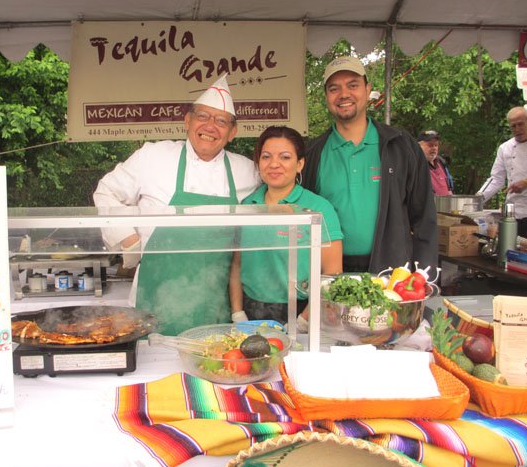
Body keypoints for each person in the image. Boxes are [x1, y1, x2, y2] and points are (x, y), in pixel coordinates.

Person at [93, 75, 260, 335]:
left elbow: (274, 204)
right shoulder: (152, 156)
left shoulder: (248, 171)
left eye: (221, 121)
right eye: (203, 116)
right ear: (187, 121)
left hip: (214, 301)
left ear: (232, 132)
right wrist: (126, 238)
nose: (210, 126)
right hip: (155, 296)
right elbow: (106, 192)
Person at [302, 56, 437, 276]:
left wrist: (424, 276)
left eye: (353, 85)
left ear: (367, 89)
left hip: (392, 274)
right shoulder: (313, 153)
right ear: (326, 97)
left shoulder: (401, 146)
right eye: (334, 88)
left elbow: (424, 217)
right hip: (330, 274)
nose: (344, 94)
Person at [229, 126, 343, 328]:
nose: (274, 164)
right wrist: (238, 313)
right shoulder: (247, 206)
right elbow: (237, 264)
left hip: (301, 310)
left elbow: (332, 274)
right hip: (251, 310)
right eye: (266, 157)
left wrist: (304, 320)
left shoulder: (318, 209)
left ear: (300, 164)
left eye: (285, 157)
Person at [476, 107, 527, 239]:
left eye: (520, 124)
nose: (517, 129)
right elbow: (496, 178)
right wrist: (477, 199)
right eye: (513, 126)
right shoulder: (505, 148)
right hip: (513, 212)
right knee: (512, 253)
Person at [417, 130, 454, 195]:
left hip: (446, 204)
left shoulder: (441, 162)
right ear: (419, 146)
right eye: (430, 145)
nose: (434, 148)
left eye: (436, 145)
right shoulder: (415, 165)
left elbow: (449, 189)